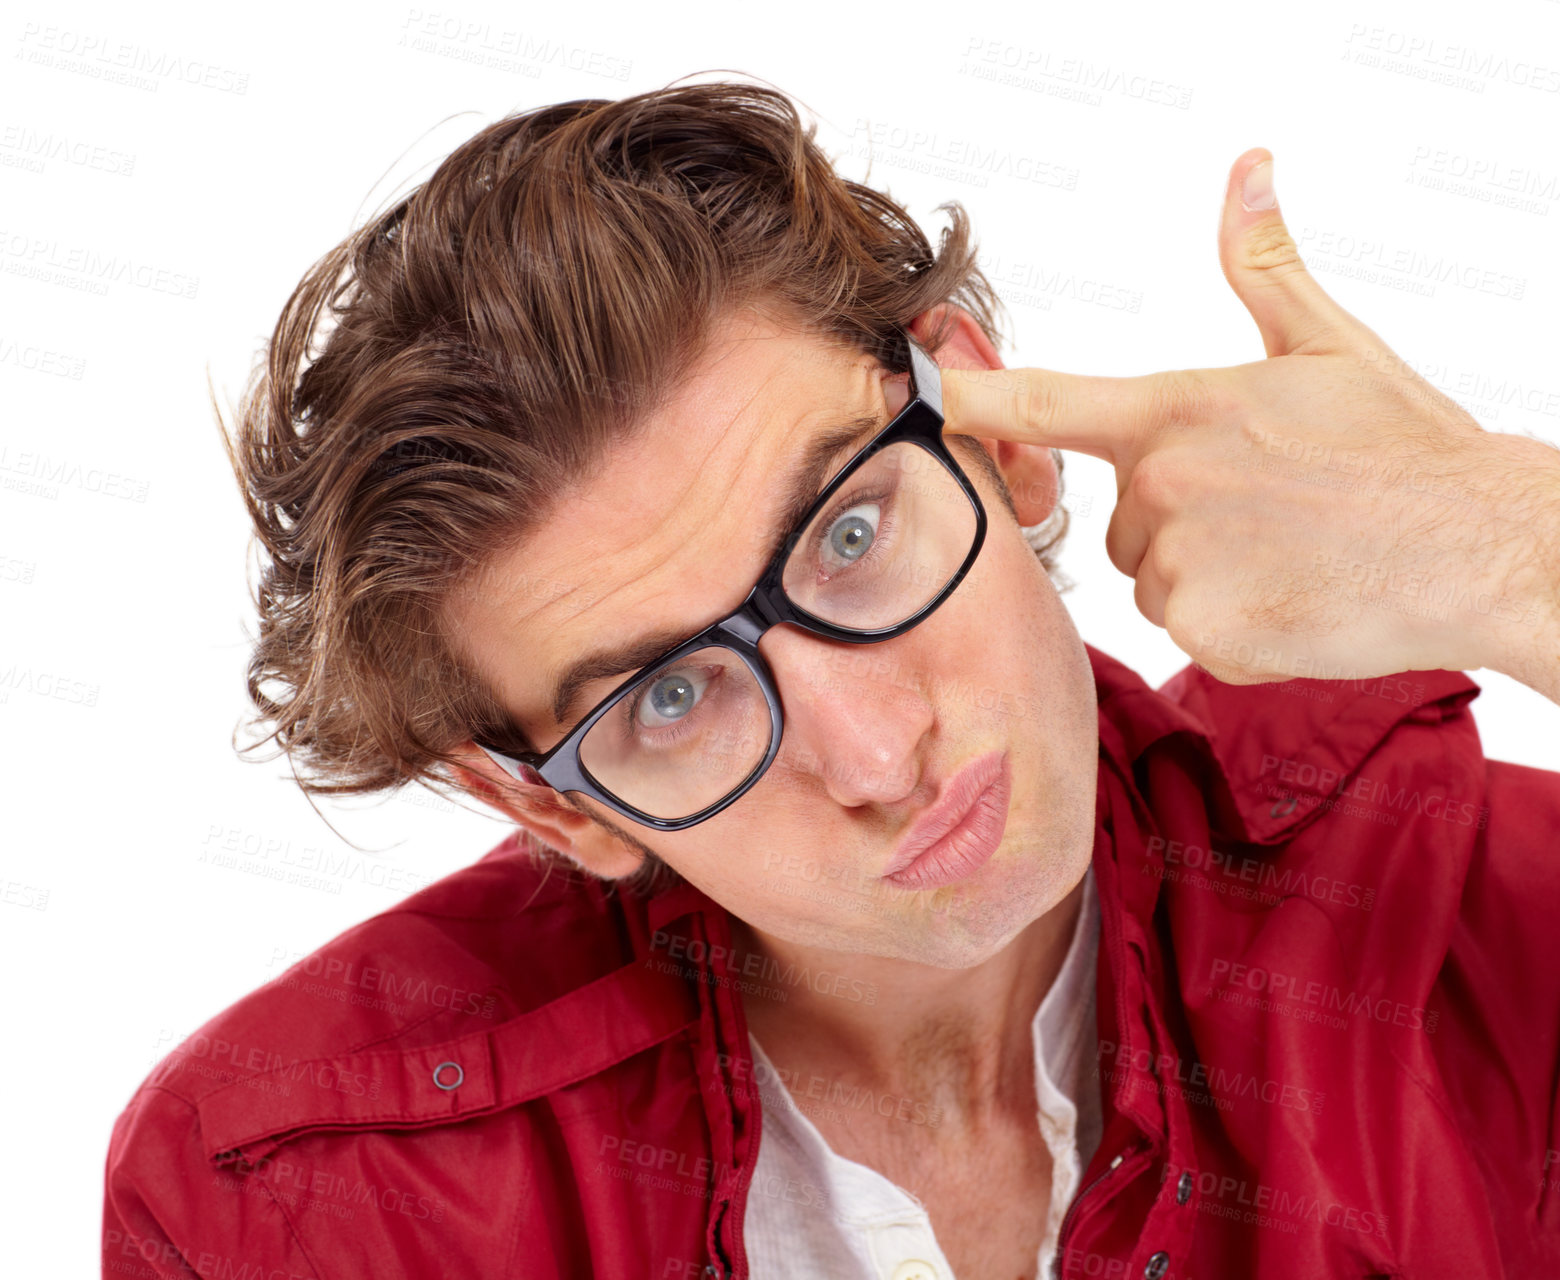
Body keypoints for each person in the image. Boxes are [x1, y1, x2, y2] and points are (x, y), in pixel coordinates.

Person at [102, 79, 1560, 1280]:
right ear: (552, 810)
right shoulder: (293, 1212)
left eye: (849, 535)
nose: (874, 757)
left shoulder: (1491, 926)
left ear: (996, 438)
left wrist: (1512, 549)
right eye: (669, 697)